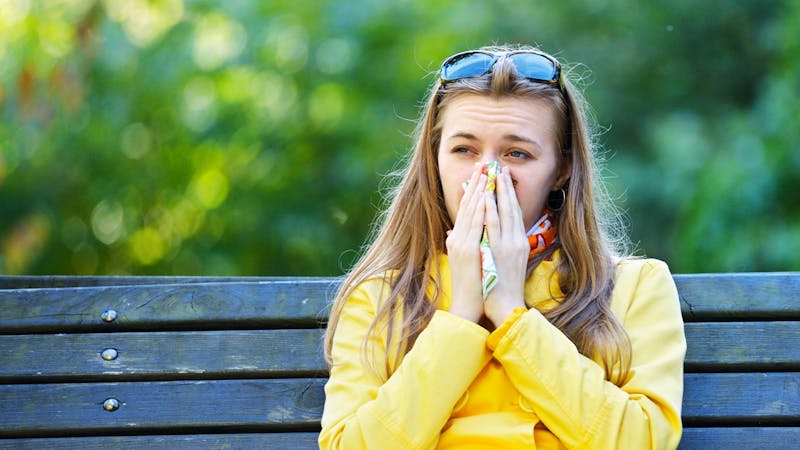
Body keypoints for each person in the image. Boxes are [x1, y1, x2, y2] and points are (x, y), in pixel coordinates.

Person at [319, 45, 686, 449]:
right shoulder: (378, 298)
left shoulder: (637, 287)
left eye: (517, 153)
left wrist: (512, 314)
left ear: (561, 170)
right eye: (464, 150)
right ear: (434, 160)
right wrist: (461, 315)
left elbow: (643, 442)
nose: (489, 174)